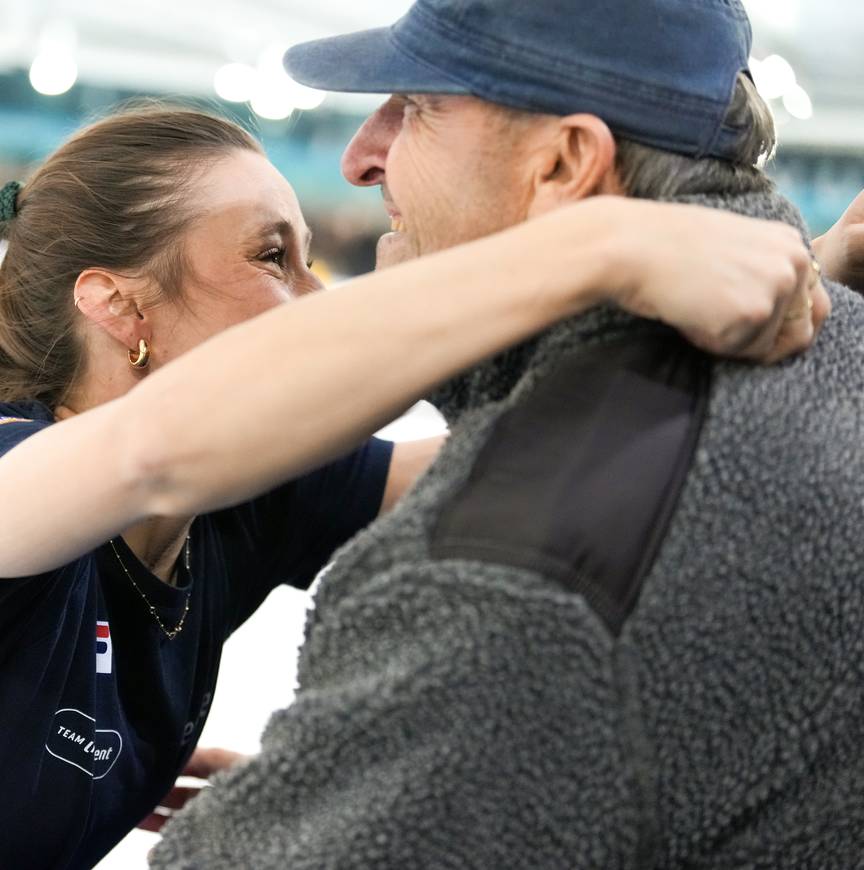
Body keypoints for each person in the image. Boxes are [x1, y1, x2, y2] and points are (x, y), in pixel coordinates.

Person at [0, 101, 824, 870]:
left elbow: (535, 443)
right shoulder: (18, 478)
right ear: (117, 305)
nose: (316, 296)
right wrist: (601, 248)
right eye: (271, 257)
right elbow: (149, 447)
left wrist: (809, 279)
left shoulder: (235, 506)